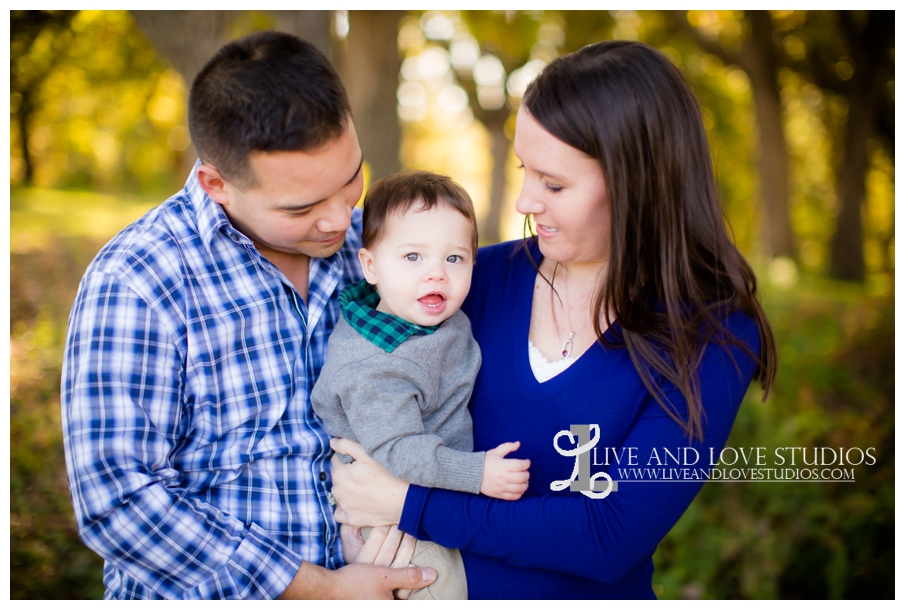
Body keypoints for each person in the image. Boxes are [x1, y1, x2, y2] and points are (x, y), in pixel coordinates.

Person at [328, 40, 778, 599]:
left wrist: (408, 503)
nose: (523, 202)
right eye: (525, 171)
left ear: (636, 182)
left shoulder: (711, 335)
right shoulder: (472, 281)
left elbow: (610, 536)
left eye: (554, 184)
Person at [60, 31, 435, 600]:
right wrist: (319, 589)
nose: (339, 220)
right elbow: (118, 499)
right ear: (217, 185)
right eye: (301, 208)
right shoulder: (138, 280)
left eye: (351, 179)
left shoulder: (374, 253)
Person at [311, 171, 531, 599]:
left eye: (455, 259)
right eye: (413, 257)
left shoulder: (422, 315)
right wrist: (478, 474)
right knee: (441, 590)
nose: (437, 275)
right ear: (371, 266)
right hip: (395, 525)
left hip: (428, 497)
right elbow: (400, 451)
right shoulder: (374, 366)